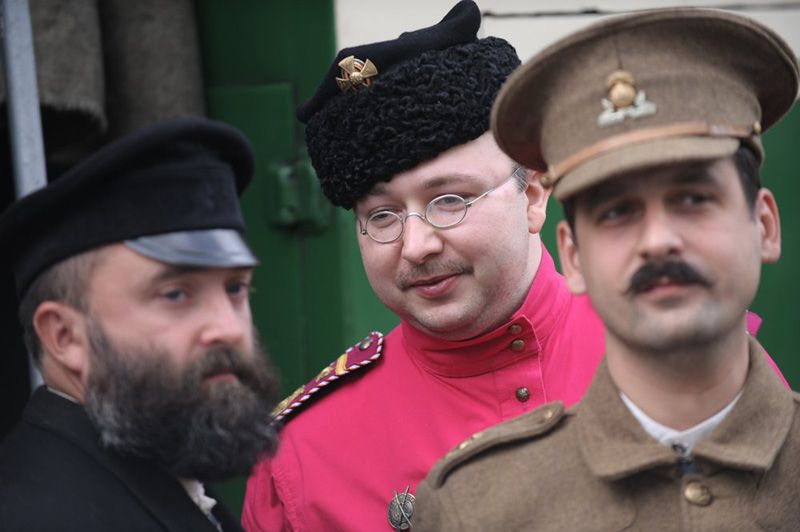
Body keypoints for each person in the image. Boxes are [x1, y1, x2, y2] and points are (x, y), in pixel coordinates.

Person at [241, 3, 781, 531]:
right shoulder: (302, 458)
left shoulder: (689, 355)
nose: (416, 246)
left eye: (450, 200)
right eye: (382, 216)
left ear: (533, 198)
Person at [413, 7, 800, 530]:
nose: (658, 241)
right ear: (573, 256)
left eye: (693, 198)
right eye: (617, 213)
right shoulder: (478, 510)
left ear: (765, 225)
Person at [0, 118, 281, 532]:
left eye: (235, 288)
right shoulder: (38, 516)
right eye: (175, 294)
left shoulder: (161, 472)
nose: (229, 329)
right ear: (65, 336)